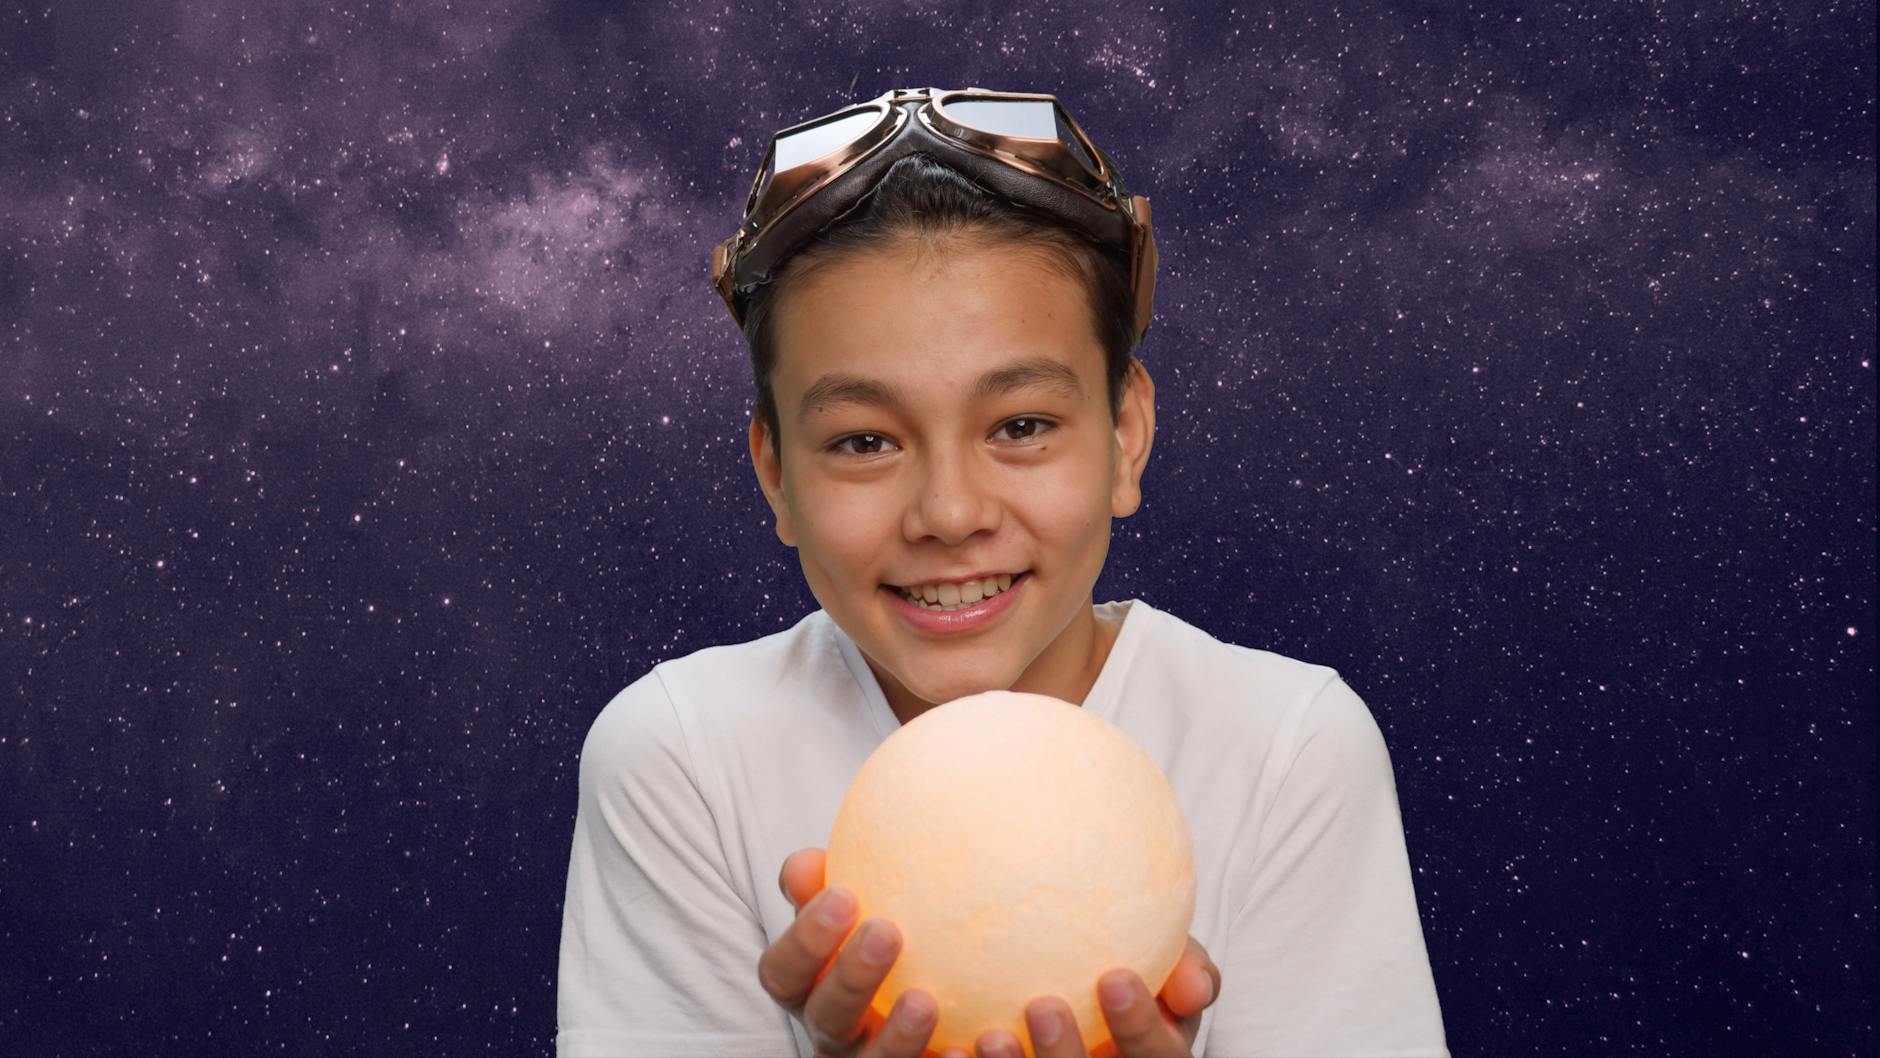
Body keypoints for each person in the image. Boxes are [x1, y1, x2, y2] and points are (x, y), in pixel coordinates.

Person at [555, 87, 1448, 1058]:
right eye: (863, 439)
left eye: (1020, 425)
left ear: (1122, 436)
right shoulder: (679, 758)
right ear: (775, 473)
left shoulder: (1284, 748)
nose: (948, 512)